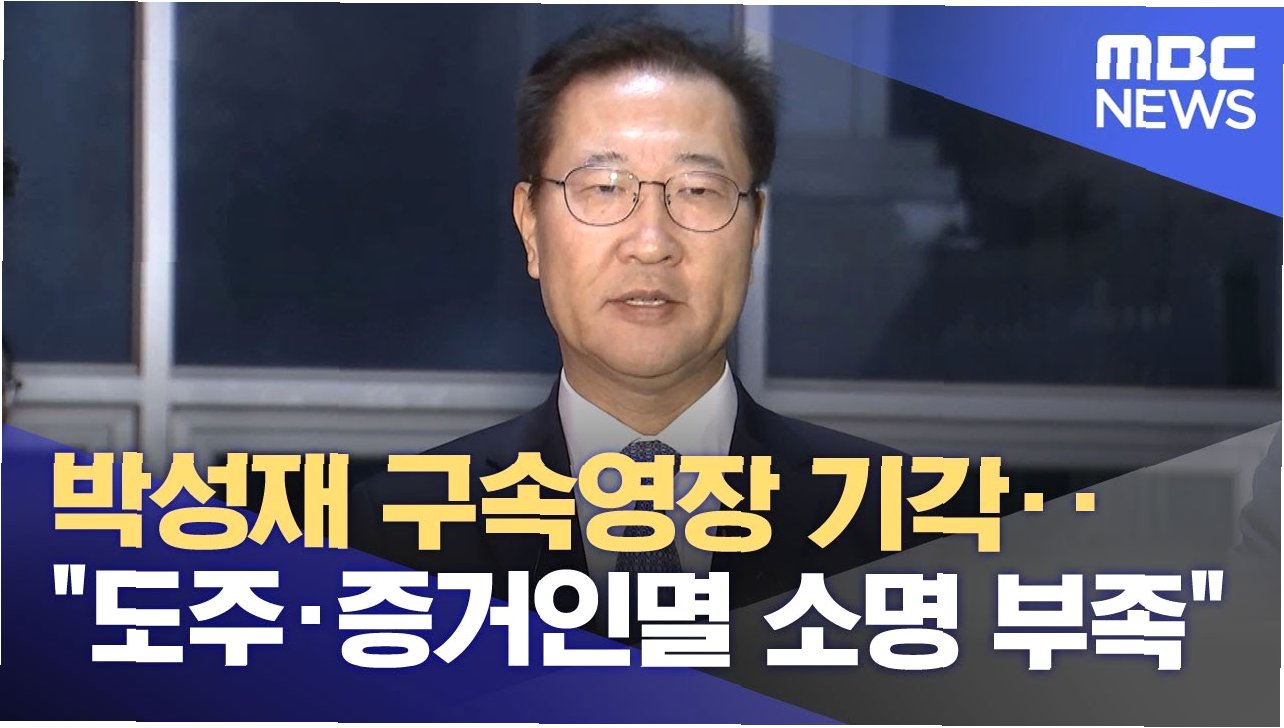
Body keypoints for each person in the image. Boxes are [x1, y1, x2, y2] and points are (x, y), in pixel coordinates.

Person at [350, 21, 941, 624]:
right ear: (530, 227)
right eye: (604, 188)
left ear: (754, 228)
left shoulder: (910, 528)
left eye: (698, 191)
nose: (652, 243)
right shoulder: (386, 540)